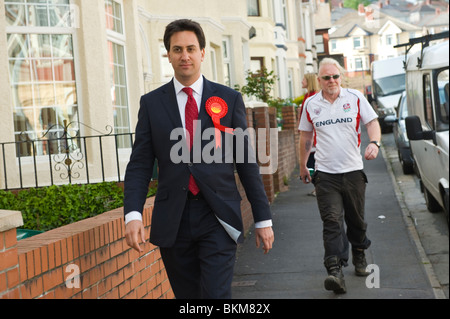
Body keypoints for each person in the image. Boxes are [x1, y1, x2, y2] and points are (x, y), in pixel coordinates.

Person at [123, 19, 274, 299]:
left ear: (202, 53)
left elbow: (246, 161)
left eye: (191, 48)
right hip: (174, 220)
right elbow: (140, 164)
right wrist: (132, 213)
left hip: (217, 215)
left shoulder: (228, 99)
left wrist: (263, 218)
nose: (185, 55)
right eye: (177, 49)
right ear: (168, 54)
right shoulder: (152, 103)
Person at [298, 58, 381, 294]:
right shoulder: (311, 104)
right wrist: (303, 166)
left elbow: (372, 123)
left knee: (356, 219)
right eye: (326, 77)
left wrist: (374, 143)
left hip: (353, 171)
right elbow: (305, 136)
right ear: (319, 80)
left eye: (335, 76)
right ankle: (334, 270)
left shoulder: (355, 98)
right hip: (325, 174)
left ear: (341, 77)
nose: (331, 81)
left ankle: (359, 252)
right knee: (332, 221)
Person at [297, 73, 320, 196]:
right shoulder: (307, 96)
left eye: (303, 79)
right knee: (311, 163)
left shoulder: (313, 97)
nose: (301, 81)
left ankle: (319, 188)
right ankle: (318, 188)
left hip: (314, 138)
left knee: (313, 163)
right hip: (309, 136)